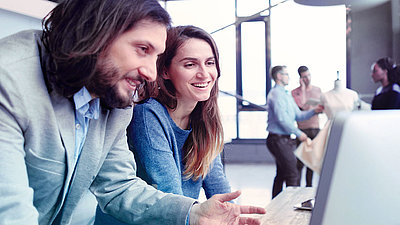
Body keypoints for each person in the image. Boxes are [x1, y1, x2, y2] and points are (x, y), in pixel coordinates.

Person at [0, 0, 266, 224]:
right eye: (142, 50)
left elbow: (119, 186)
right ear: (97, 33)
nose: (150, 73)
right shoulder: (8, 80)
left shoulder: (113, 100)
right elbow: (11, 212)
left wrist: (194, 213)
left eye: (156, 56)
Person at [95, 25, 231, 224]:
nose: (204, 73)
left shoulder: (205, 118)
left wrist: (235, 215)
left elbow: (219, 186)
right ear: (165, 70)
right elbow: (170, 191)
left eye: (210, 63)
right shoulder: (148, 113)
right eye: (190, 65)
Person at [266, 65, 323, 198]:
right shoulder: (276, 95)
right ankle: (292, 206)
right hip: (277, 140)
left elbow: (298, 115)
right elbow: (282, 120)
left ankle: (275, 205)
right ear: (279, 76)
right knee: (293, 173)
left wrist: (314, 111)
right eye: (286, 74)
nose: (289, 77)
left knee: (281, 173)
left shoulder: (286, 94)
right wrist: (300, 134)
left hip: (284, 139)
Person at [291, 66, 321, 187]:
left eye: (308, 75)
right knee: (300, 162)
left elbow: (321, 108)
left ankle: (309, 187)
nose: (307, 78)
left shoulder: (318, 90)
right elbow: (302, 107)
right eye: (304, 77)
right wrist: (303, 90)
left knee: (311, 162)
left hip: (315, 129)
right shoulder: (295, 92)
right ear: (300, 78)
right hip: (302, 131)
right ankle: (297, 188)